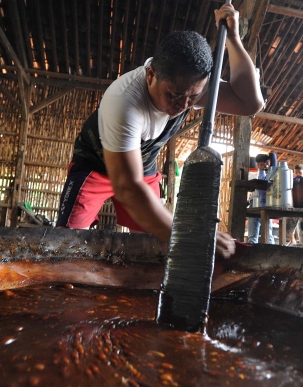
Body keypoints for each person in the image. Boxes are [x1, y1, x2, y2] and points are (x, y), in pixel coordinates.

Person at [56, 3, 264, 259]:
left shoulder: (190, 87)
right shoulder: (124, 101)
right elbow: (127, 187)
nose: (183, 105)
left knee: (154, 244)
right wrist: (192, 236)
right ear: (151, 74)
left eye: (193, 97)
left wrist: (232, 38)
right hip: (95, 168)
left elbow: (249, 103)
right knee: (64, 243)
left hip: (141, 170)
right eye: (174, 95)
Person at [247, 153, 274, 244]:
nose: (260, 167)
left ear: (268, 163)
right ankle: (251, 251)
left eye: (262, 164)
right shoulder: (254, 174)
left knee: (268, 233)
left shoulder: (272, 174)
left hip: (266, 204)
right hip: (254, 204)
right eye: (258, 165)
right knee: (252, 233)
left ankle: (271, 251)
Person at [285, 164, 303, 248]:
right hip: (294, 206)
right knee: (289, 225)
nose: (297, 174)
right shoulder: (291, 181)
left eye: (300, 172)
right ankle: (292, 240)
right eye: (296, 172)